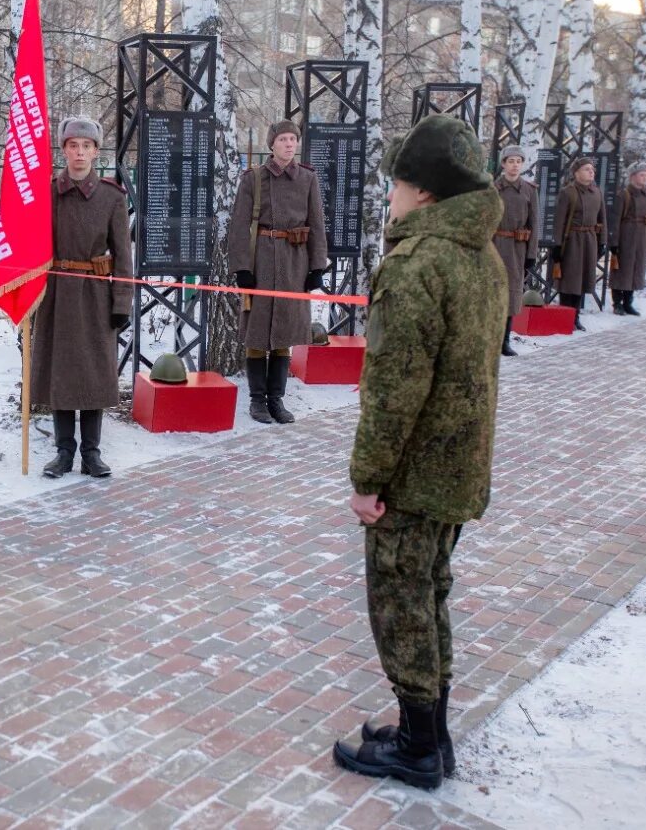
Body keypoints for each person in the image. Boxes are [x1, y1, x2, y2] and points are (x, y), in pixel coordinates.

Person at [332, 115, 506, 790]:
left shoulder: (416, 264)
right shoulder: (482, 256)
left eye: (399, 183)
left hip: (412, 473)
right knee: (429, 595)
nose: (393, 196)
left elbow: (393, 392)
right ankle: (428, 733)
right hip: (459, 466)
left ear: (426, 193)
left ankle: (418, 749)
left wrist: (367, 479)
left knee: (401, 603)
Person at [30, 116, 133, 479]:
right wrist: (27, 294)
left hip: (95, 298)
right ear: (63, 150)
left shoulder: (111, 197)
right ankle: (63, 452)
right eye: (73, 145)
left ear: (96, 151)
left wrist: (122, 303)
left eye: (86, 146)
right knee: (61, 376)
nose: (79, 152)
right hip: (55, 297)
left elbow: (123, 256)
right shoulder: (45, 193)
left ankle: (92, 453)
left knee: (93, 376)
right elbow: (29, 248)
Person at [226, 119, 329, 424]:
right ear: (271, 144)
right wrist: (242, 268)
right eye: (282, 139)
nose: (288, 144)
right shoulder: (254, 179)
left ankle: (277, 401)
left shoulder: (307, 179)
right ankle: (257, 402)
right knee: (258, 333)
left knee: (285, 332)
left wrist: (316, 268)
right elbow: (238, 228)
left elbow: (317, 226)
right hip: (261, 261)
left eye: (293, 139)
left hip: (295, 263)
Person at [492, 145, 538, 356]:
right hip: (495, 246)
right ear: (503, 164)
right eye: (510, 161)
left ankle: (505, 340)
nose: (514, 165)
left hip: (517, 249)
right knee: (493, 293)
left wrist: (531, 255)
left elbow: (534, 225)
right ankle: (491, 340)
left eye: (518, 161)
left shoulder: (529, 191)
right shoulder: (493, 189)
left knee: (512, 294)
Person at [551, 157, 607, 331]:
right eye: (586, 169)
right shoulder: (568, 193)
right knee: (570, 281)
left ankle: (575, 317)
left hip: (589, 240)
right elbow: (559, 221)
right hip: (572, 241)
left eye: (592, 169)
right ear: (576, 173)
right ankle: (565, 316)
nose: (591, 172)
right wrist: (557, 246)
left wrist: (602, 241)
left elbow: (602, 219)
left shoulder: (597, 193)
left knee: (583, 280)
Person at [609, 162, 646, 316]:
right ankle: (617, 303)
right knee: (621, 269)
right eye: (641, 175)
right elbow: (616, 220)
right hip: (626, 236)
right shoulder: (624, 195)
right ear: (633, 176)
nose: (644, 178)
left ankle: (628, 302)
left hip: (642, 237)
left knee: (637, 269)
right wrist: (614, 243)